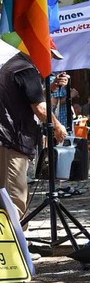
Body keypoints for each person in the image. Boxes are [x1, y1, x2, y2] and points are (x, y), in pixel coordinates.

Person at [0, 45, 68, 222]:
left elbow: (29, 97)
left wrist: (51, 88)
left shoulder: (16, 65)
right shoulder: (26, 69)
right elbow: (40, 108)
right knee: (16, 196)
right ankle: (20, 246)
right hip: (12, 139)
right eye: (50, 55)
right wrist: (58, 127)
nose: (50, 61)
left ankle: (12, 243)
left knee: (7, 194)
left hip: (8, 138)